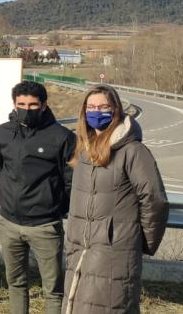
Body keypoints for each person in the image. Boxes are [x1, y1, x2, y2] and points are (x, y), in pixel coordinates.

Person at [64, 84, 168, 313]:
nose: (96, 111)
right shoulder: (84, 149)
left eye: (103, 106)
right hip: (80, 250)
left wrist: (139, 242)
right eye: (91, 107)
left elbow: (155, 200)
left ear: (116, 110)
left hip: (114, 253)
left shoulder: (133, 151)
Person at [0, 81, 75, 314]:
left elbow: (70, 181)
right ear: (14, 105)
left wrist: (53, 207)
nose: (27, 109)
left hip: (45, 226)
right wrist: (9, 197)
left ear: (44, 105)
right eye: (22, 104)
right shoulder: (3, 133)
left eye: (33, 104)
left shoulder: (62, 137)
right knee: (15, 283)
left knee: (54, 289)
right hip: (9, 223)